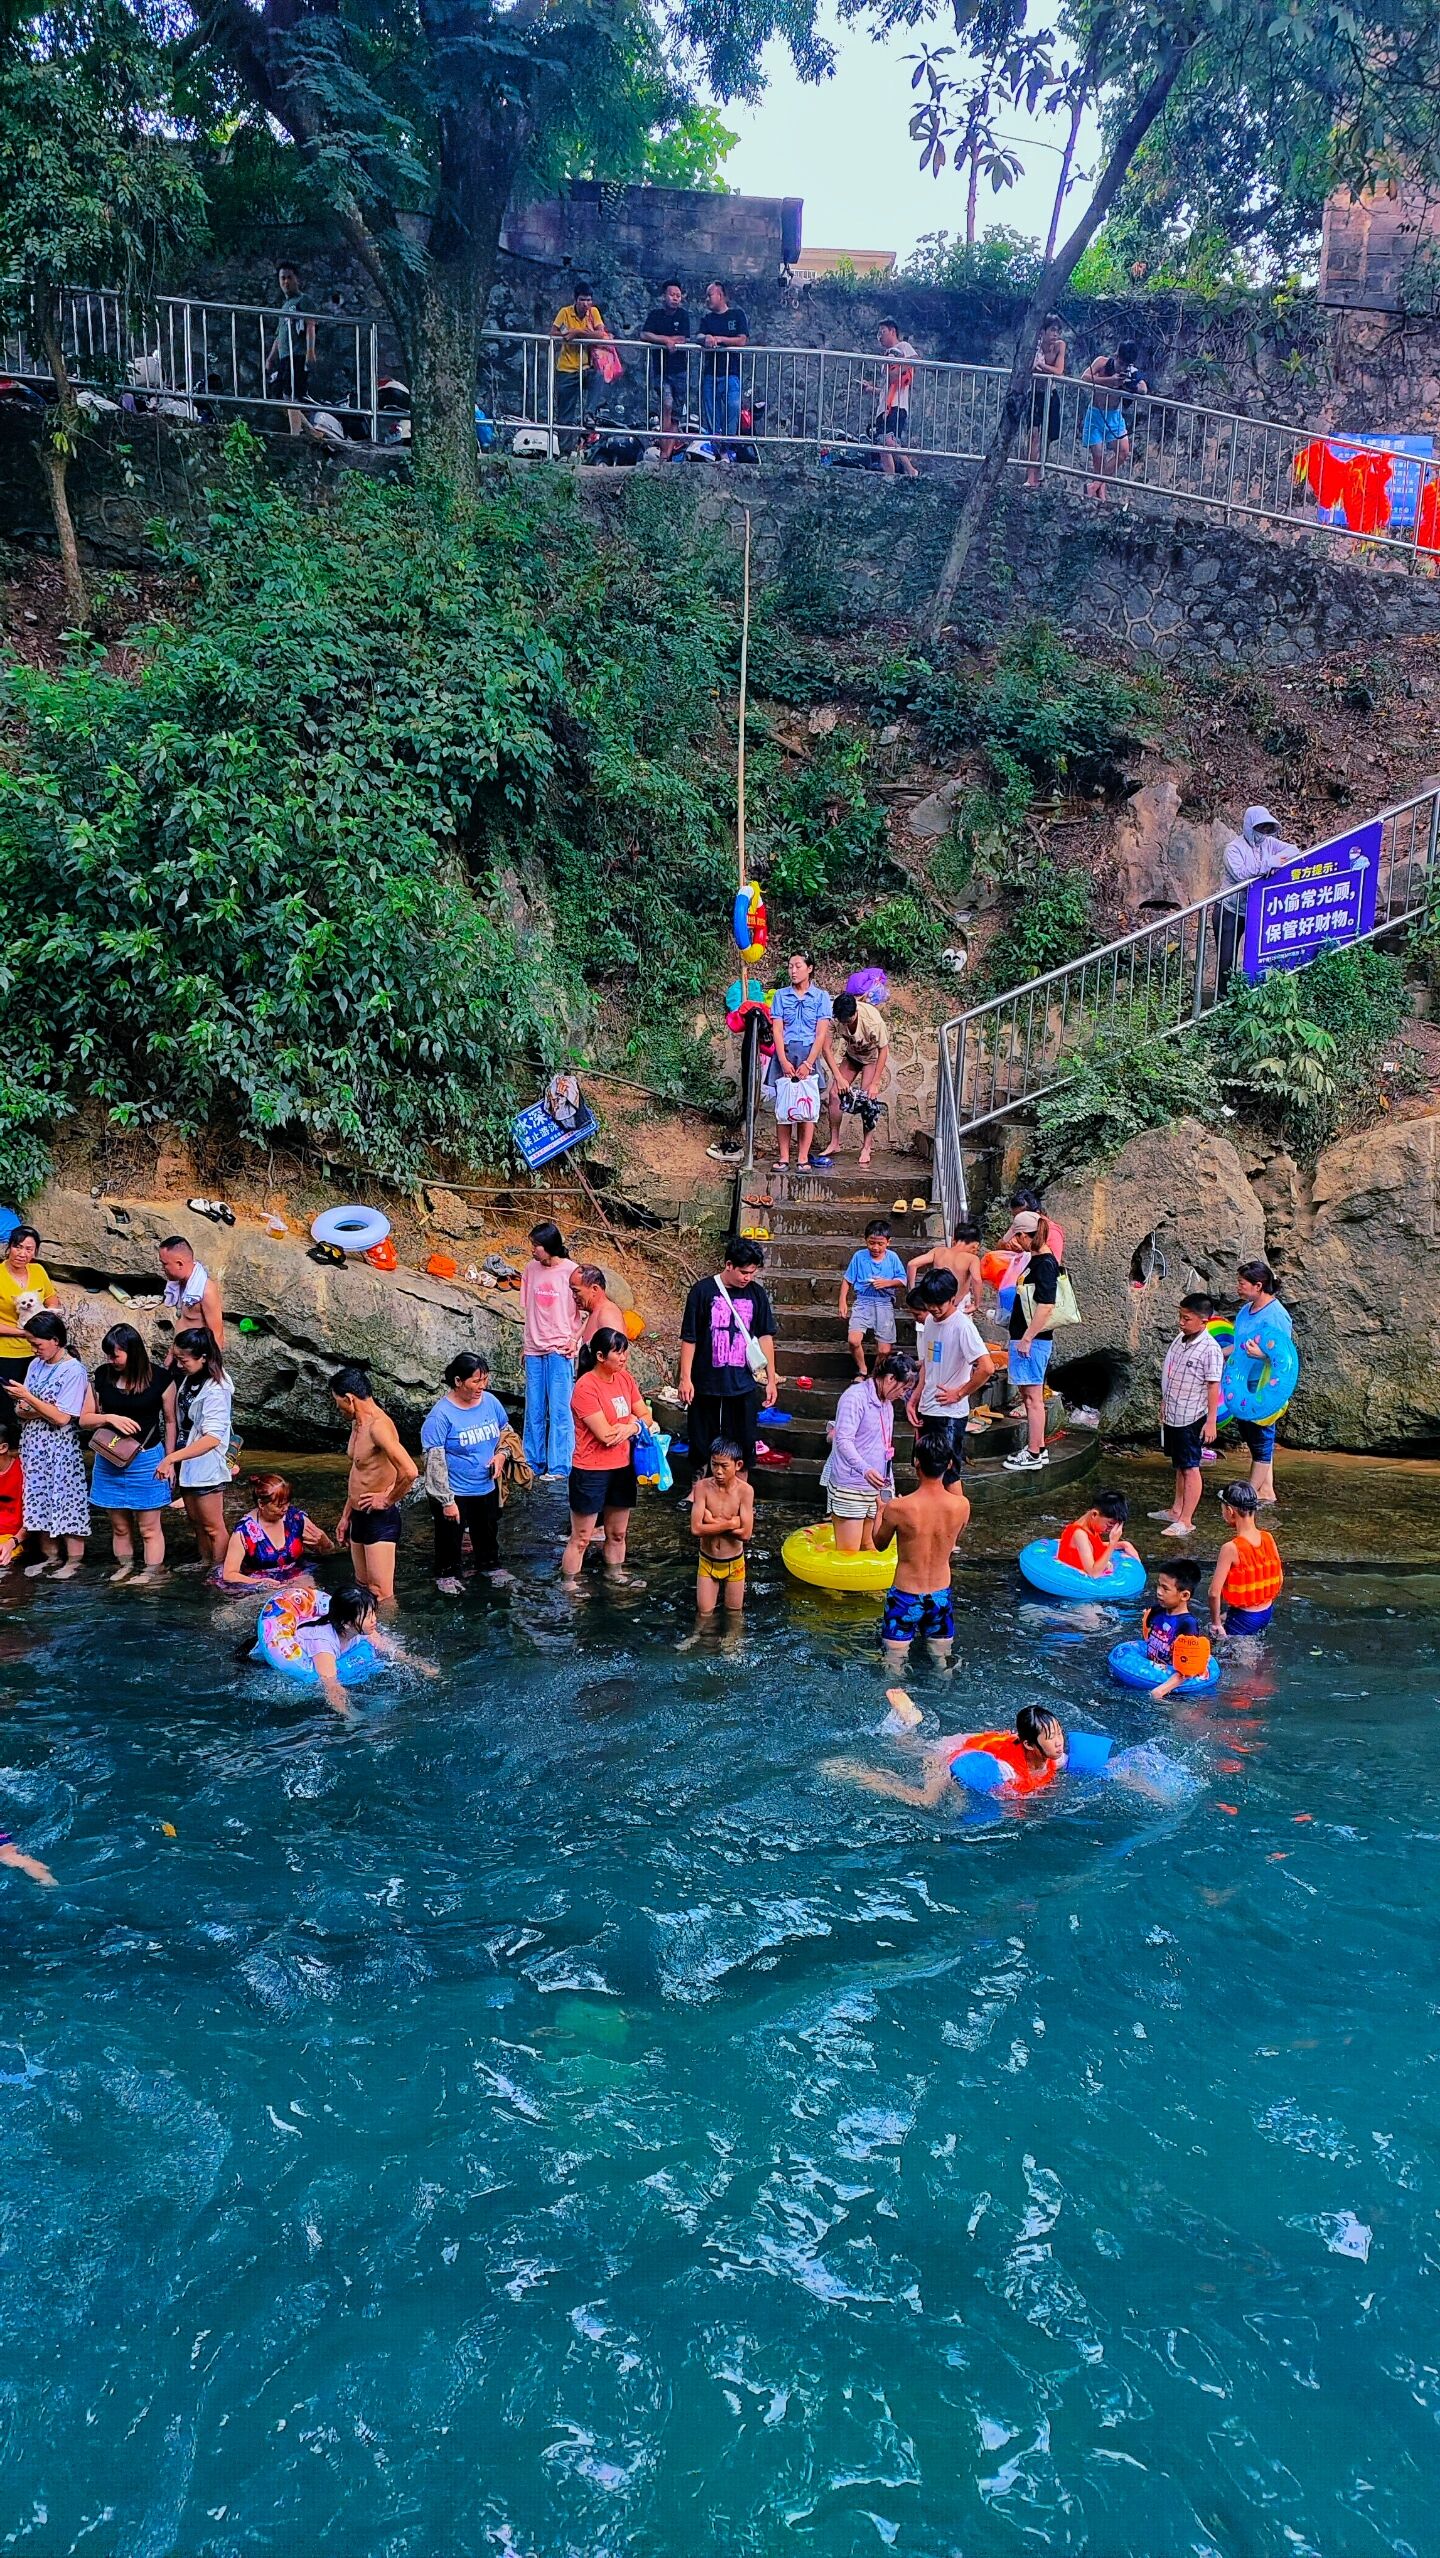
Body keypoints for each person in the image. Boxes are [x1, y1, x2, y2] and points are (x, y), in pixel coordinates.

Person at [80, 1321, 177, 1583]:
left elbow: (170, 1422)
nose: (110, 1360)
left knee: (149, 1528)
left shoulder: (160, 1379)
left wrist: (170, 1461)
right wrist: (109, 1418)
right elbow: (84, 1419)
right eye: (108, 1355)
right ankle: (124, 1566)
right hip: (110, 1458)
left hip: (147, 1459)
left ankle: (151, 1573)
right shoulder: (102, 1375)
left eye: (115, 1355)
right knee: (120, 1526)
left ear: (132, 1352)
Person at [835, 1701, 1066, 1808]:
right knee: (926, 1800)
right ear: (1029, 1744)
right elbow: (1001, 1797)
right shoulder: (1007, 1770)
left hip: (971, 1746)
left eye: (1059, 1733)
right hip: (950, 1756)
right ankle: (853, 1772)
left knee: (912, 1747)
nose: (1058, 1742)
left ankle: (907, 1724)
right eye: (1051, 1737)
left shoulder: (1056, 1757)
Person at [677, 1236, 777, 1476]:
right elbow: (690, 1337)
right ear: (729, 1264)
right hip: (706, 1380)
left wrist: (771, 1378)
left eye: (752, 1273)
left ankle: (740, 1492)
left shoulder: (757, 1294)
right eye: (743, 1272)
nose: (747, 1278)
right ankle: (697, 1490)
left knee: (744, 1440)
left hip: (742, 1381)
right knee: (701, 1438)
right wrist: (685, 1378)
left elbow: (765, 1336)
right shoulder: (702, 1291)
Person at [873, 1429, 971, 1671]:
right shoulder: (961, 1505)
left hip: (905, 1595)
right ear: (949, 1464)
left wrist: (880, 1510)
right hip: (940, 1594)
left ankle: (894, 1704)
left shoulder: (898, 1507)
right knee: (942, 1658)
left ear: (916, 1462)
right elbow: (952, 1538)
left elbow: (879, 1543)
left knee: (894, 1661)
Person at [562, 1327, 650, 1587]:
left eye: (625, 1353)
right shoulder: (585, 1387)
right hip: (591, 1469)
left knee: (618, 1532)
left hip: (622, 1466)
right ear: (600, 1356)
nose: (623, 1359)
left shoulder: (625, 1379)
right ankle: (570, 1583)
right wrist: (632, 1426)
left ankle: (614, 1573)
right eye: (618, 1353)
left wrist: (632, 1426)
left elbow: (646, 1416)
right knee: (581, 1536)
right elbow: (605, 1435)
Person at [4, 1312, 90, 1577]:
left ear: (55, 1340)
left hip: (60, 1449)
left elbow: (63, 1417)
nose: (35, 1350)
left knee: (66, 1501)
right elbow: (21, 1410)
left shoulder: (74, 1370)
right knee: (37, 1501)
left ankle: (73, 1562)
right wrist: (27, 1405)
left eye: (38, 1345)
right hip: (34, 1444)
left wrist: (28, 1398)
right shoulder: (35, 1365)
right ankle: (50, 1557)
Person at [421, 1351, 512, 1596]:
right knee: (450, 1537)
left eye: (484, 1380)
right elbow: (434, 1462)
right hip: (455, 1490)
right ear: (458, 1381)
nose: (481, 1386)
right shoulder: (441, 1415)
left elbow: (506, 1431)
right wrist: (446, 1500)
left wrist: (502, 1454)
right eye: (475, 1381)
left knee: (488, 1530)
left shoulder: (491, 1402)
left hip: (486, 1485)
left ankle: (490, 1566)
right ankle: (446, 1574)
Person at [330, 1365, 417, 1606]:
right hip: (359, 1515)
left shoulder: (379, 1427)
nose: (338, 1408)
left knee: (381, 1592)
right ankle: (366, 1635)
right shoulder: (357, 1424)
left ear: (350, 1399)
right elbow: (359, 1471)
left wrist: (387, 1499)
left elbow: (410, 1471)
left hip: (380, 1517)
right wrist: (346, 1515)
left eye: (338, 1402)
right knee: (361, 1586)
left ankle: (391, 1640)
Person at [157, 1325, 234, 1568]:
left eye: (184, 1359)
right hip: (187, 1458)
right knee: (196, 1522)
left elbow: (212, 1438)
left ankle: (221, 1569)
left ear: (203, 1358)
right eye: (177, 1357)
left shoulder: (217, 1389)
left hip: (206, 1463)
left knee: (213, 1526)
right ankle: (205, 1562)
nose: (179, 1364)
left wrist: (170, 1458)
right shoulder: (189, 1378)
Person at [906, 1269, 993, 1481]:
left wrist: (959, 1393)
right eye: (929, 1303)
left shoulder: (963, 1326)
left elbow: (987, 1368)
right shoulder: (928, 1322)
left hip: (949, 1414)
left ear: (953, 1298)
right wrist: (915, 1398)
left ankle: (957, 1514)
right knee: (923, 1468)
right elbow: (928, 1364)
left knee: (947, 1474)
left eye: (939, 1303)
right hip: (928, 1407)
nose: (934, 1308)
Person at [284, 1585, 418, 1721]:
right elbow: (330, 1685)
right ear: (346, 1623)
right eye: (367, 1616)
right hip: (293, 1647)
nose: (374, 1619)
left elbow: (389, 1648)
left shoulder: (360, 1628)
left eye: (373, 1612)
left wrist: (422, 1666)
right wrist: (350, 1716)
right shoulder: (323, 1644)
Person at [825, 1351, 914, 1552]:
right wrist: (864, 1469)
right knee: (849, 1552)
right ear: (890, 1379)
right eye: (904, 1388)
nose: (902, 1395)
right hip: (851, 1486)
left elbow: (885, 1447)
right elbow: (843, 1440)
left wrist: (889, 1485)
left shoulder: (887, 1404)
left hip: (877, 1486)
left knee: (871, 1546)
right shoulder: (854, 1398)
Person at [1152, 1292, 1225, 1538]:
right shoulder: (1179, 1339)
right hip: (1173, 1411)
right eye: (1180, 1317)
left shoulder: (1210, 1348)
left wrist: (1211, 1421)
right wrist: (1164, 1401)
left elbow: (1213, 1385)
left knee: (1191, 1467)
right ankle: (1175, 1509)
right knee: (1180, 1465)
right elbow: (1171, 1373)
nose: (1181, 1323)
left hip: (1192, 1416)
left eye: (1187, 1319)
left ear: (1204, 1321)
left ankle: (1186, 1519)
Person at [1001, 1211, 1062, 1473]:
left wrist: (1027, 1338)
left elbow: (1046, 1305)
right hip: (1024, 1338)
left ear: (1027, 1235)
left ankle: (1035, 1451)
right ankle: (1037, 1447)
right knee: (1028, 1396)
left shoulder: (1046, 1263)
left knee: (1034, 1399)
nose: (1017, 1241)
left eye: (1019, 1236)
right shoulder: (1035, 1259)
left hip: (1032, 1341)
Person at [1231, 1258, 1294, 1507]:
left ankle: (1248, 1495)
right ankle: (1266, 1490)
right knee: (1250, 1434)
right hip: (1242, 1383)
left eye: (1241, 1283)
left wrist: (1262, 1355)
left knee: (1261, 1439)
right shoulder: (1244, 1311)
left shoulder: (1277, 1315)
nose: (1237, 1287)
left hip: (1264, 1385)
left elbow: (1284, 1357)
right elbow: (1238, 1348)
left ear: (1258, 1286)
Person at [1214, 807, 1302, 984]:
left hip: (1256, 910)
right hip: (1230, 910)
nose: (1264, 833)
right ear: (1249, 826)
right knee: (1226, 958)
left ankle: (1251, 991)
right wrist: (1268, 864)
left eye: (1267, 828)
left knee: (1257, 954)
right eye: (1260, 828)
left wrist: (1277, 862)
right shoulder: (1233, 848)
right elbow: (1241, 874)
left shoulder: (1269, 843)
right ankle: (1223, 999)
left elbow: (1294, 850)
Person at [521, 1222, 580, 1477]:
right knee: (533, 1409)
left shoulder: (572, 1272)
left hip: (560, 1350)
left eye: (537, 1246)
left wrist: (575, 1340)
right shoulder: (530, 1270)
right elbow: (528, 1311)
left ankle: (560, 1466)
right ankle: (533, 1462)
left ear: (550, 1247)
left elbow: (591, 1309)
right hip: (534, 1347)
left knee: (560, 1410)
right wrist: (525, 1346)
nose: (533, 1250)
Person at [218, 1471, 336, 1591]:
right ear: (261, 1504)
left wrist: (324, 1541)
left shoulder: (295, 1519)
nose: (285, 1509)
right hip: (260, 1584)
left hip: (297, 1577)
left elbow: (327, 1551)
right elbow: (229, 1575)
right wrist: (260, 1583)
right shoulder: (244, 1532)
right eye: (279, 1506)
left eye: (287, 1503)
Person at [770, 952, 833, 1173]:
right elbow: (777, 1029)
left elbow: (821, 1034)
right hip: (785, 1053)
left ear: (810, 968)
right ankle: (784, 1157)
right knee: (784, 1107)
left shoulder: (821, 997)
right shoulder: (780, 995)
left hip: (809, 1055)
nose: (793, 971)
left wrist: (808, 1063)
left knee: (807, 1106)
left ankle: (803, 1158)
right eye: (790, 967)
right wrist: (783, 1061)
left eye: (798, 966)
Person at [687, 1438, 754, 1628]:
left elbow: (746, 1534)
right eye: (714, 1464)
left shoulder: (745, 1492)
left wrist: (711, 1521)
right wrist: (731, 1523)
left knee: (734, 1613)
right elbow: (696, 1529)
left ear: (738, 1465)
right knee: (704, 1613)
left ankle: (733, 1645)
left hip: (734, 1563)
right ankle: (698, 1637)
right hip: (707, 1561)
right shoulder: (702, 1487)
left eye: (724, 1466)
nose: (718, 1471)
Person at [1209, 1481, 1284, 1637]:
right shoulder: (1268, 1538)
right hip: (1266, 1612)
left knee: (1235, 1659)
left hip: (1244, 1618)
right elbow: (1280, 1578)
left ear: (1230, 1511)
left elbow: (1214, 1593)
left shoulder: (1230, 1548)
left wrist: (1216, 1623)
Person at [825, 990, 889, 1167]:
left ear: (855, 1013)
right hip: (852, 1056)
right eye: (842, 1021)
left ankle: (866, 1147)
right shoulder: (833, 1017)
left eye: (848, 1020)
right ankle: (834, 1142)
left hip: (871, 1058)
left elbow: (884, 1049)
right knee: (834, 1094)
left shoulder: (873, 1022)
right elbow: (826, 1048)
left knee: (867, 1100)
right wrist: (838, 1077)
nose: (844, 1024)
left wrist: (875, 1082)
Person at [1078, 339, 1147, 500]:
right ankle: (1100, 495)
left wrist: (1129, 385)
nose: (1122, 367)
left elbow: (1144, 389)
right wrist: (1110, 381)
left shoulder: (1131, 372)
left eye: (1126, 365)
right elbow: (1085, 377)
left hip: (1114, 416)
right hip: (1096, 414)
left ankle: (1094, 486)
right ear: (1116, 356)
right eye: (1121, 363)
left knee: (1123, 452)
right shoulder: (1102, 362)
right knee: (1098, 456)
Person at [840, 1220, 909, 1378]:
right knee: (853, 1340)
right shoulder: (859, 1256)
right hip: (863, 1301)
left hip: (884, 1304)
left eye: (880, 1244)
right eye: (871, 1243)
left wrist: (887, 1283)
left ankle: (875, 1374)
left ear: (888, 1242)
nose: (875, 1248)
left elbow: (902, 1280)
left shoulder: (892, 1258)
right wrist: (842, 1301)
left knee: (885, 1350)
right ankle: (862, 1368)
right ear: (865, 1241)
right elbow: (847, 1280)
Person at [551, 284, 611, 452]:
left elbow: (601, 334)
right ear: (575, 300)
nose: (586, 304)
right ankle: (565, 452)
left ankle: (589, 414)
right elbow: (553, 333)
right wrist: (567, 334)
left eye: (589, 300)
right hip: (566, 368)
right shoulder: (565, 313)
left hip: (585, 367)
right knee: (565, 413)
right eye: (583, 300)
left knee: (597, 377)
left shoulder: (593, 313)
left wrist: (577, 333)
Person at [1140, 1559, 1209, 1701]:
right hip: (1151, 1669)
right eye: (1158, 1585)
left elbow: (1187, 1668)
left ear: (1184, 1595)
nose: (1159, 1592)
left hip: (1174, 1685)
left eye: (1165, 1589)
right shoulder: (1157, 1610)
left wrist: (1160, 1691)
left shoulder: (1187, 1624)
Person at [696, 281, 748, 459]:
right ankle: (717, 449)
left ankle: (727, 446)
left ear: (721, 295)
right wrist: (706, 339)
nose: (707, 299)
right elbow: (699, 336)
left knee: (733, 407)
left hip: (731, 373)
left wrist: (720, 339)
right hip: (711, 373)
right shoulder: (707, 319)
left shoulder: (737, 315)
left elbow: (742, 340)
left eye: (710, 295)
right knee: (712, 413)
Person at [0, 1224, 56, 1385]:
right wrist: (23, 1332)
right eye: (18, 1247)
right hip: (5, 1353)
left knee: (32, 1404)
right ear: (9, 1247)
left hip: (38, 1352)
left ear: (35, 1252)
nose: (22, 1254)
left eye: (29, 1249)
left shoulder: (38, 1270)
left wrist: (47, 1321)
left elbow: (52, 1299)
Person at [640, 278, 691, 452]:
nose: (675, 298)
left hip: (680, 370)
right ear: (664, 296)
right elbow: (645, 334)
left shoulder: (683, 315)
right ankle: (663, 451)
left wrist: (669, 340)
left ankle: (666, 455)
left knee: (676, 415)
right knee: (666, 405)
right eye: (672, 294)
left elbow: (683, 338)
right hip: (661, 370)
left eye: (678, 295)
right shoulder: (655, 315)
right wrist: (665, 340)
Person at [864, 318, 919, 478]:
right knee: (882, 443)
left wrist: (898, 369)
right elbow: (886, 389)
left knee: (889, 440)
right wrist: (870, 389)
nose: (879, 336)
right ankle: (890, 477)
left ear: (892, 331)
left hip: (897, 405)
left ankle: (911, 470)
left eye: (882, 332)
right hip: (885, 406)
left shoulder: (902, 347)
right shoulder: (886, 357)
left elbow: (915, 360)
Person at [265, 263, 316, 435]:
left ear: (297, 279)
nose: (286, 282)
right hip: (285, 357)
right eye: (282, 278)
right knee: (281, 394)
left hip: (298, 354)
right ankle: (311, 430)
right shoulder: (285, 306)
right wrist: (271, 357)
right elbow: (279, 336)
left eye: (289, 277)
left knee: (291, 395)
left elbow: (310, 325)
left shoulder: (304, 300)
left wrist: (310, 351)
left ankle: (296, 434)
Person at [157, 1237, 226, 1352]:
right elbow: (182, 1320)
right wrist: (172, 1353)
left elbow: (217, 1336)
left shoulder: (206, 1291)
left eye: (164, 1264)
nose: (162, 1268)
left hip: (196, 1357)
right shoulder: (180, 1283)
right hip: (180, 1352)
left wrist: (210, 1366)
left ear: (179, 1264)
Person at [907, 1218, 985, 1317]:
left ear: (954, 1240)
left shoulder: (939, 1251)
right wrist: (976, 1304)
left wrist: (912, 1290)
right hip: (956, 1306)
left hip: (935, 1304)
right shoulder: (972, 1259)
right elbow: (977, 1280)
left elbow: (911, 1264)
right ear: (976, 1245)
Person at [1056, 1491, 1140, 1578]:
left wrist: (1123, 1544)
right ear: (1094, 1514)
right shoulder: (1080, 1534)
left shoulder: (1090, 1526)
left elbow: (1093, 1545)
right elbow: (1093, 1574)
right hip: (1077, 1582)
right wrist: (1112, 1543)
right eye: (1109, 1525)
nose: (1110, 1530)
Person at [1026, 314, 1066, 488]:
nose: (1055, 335)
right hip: (1035, 392)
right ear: (1043, 331)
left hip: (1051, 392)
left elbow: (1059, 371)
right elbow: (1033, 368)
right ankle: (1030, 476)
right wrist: (1043, 369)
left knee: (1049, 436)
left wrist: (1043, 367)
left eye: (1058, 331)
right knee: (1033, 435)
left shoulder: (1059, 346)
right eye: (1052, 330)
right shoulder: (1035, 345)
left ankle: (1041, 473)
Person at [571, 1264, 627, 1355]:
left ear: (594, 1289)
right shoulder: (595, 1311)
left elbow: (617, 1356)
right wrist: (574, 1339)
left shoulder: (608, 1315)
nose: (573, 1296)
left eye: (576, 1291)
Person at [0, 1401, 22, 1571]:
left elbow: (35, 1518)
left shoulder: (24, 1471)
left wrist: (12, 1542)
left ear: (3, 1447)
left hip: (13, 1537)